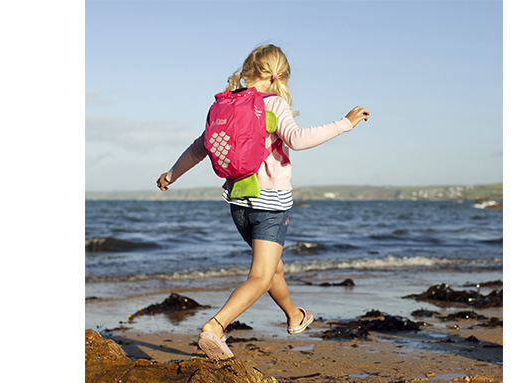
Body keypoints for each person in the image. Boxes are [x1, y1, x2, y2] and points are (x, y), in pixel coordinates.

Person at [157, 44, 369, 360]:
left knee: (273, 268)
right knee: (260, 276)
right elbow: (297, 140)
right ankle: (215, 327)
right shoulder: (273, 104)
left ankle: (295, 316)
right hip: (271, 204)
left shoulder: (227, 105)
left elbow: (200, 147)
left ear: (247, 71)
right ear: (279, 77)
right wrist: (344, 124)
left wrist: (171, 174)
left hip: (238, 203)